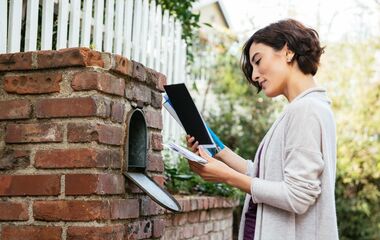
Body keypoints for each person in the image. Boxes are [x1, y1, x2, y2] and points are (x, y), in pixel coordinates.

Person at [186, 19, 339, 240]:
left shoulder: (306, 110)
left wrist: (225, 176)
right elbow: (262, 176)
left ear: (287, 51)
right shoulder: (302, 108)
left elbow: (298, 196)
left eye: (258, 61)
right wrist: (217, 149)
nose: (255, 75)